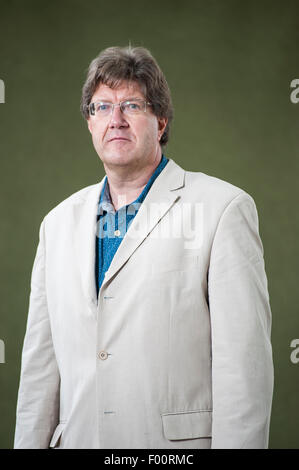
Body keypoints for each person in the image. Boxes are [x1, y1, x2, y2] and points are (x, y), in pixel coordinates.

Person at [14, 46, 274, 449]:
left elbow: (243, 371)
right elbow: (38, 375)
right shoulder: (56, 225)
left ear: (161, 120)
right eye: (101, 107)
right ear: (89, 122)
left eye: (132, 105)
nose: (115, 120)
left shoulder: (223, 209)